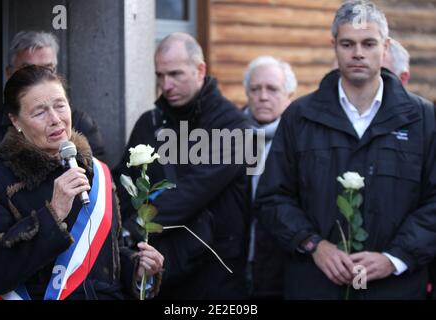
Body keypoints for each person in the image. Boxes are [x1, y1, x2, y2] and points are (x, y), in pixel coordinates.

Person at [255, 0, 436, 299]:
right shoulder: (300, 116)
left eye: (369, 43)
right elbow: (272, 198)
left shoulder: (422, 118)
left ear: (385, 46)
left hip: (395, 289)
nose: (358, 53)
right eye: (347, 43)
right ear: (334, 46)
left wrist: (394, 258)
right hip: (316, 286)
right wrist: (314, 245)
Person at [0, 65, 164, 300]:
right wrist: (52, 214)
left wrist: (139, 268)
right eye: (39, 112)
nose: (55, 119)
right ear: (15, 120)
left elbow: (104, 256)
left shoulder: (95, 171)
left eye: (60, 105)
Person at [113, 32, 249, 299]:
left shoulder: (234, 127)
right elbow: (122, 181)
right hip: (159, 267)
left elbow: (193, 189)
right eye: (160, 76)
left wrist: (133, 226)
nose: (166, 84)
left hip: (216, 272)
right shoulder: (149, 123)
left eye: (175, 74)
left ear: (200, 70)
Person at [0, 30, 107, 162]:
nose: (39, 77)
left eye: (48, 69)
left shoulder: (80, 123)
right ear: (9, 73)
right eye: (28, 71)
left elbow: (99, 175)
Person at [242, 56, 296, 299]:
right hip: (234, 261)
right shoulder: (228, 137)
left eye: (272, 89)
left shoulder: (300, 139)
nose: (263, 96)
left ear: (289, 95)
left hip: (284, 263)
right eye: (255, 89)